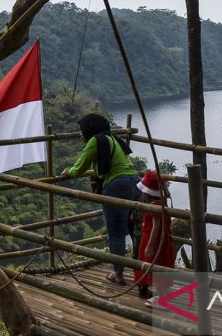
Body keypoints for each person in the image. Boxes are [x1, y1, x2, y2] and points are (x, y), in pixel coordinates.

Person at [62, 113, 139, 285]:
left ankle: (118, 273)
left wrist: (70, 172)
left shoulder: (96, 141)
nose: (80, 134)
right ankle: (141, 273)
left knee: (116, 233)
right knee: (134, 231)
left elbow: (81, 166)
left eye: (82, 130)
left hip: (117, 185)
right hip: (135, 183)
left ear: (90, 129)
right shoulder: (113, 138)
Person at [133, 170, 175, 307]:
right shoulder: (162, 202)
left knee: (156, 266)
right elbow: (167, 193)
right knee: (160, 267)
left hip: (155, 241)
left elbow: (156, 227)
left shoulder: (154, 206)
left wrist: (150, 246)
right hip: (159, 241)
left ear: (147, 192)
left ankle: (161, 297)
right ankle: (162, 295)